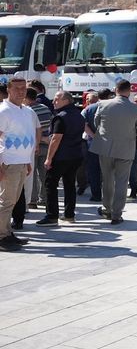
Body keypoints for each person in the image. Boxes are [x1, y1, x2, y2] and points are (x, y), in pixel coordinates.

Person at [88, 80, 137, 224]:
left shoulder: (103, 104)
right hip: (126, 148)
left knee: (107, 180)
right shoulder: (136, 109)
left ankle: (107, 209)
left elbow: (96, 123)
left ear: (115, 90)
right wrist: (130, 133)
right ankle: (116, 214)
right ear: (129, 91)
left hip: (105, 147)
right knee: (122, 182)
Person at [0, 78, 40, 250]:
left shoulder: (26, 111)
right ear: (9, 90)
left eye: (23, 88)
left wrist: (27, 161)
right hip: (8, 162)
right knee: (6, 201)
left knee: (13, 201)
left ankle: (7, 232)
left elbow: (29, 134)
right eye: (16, 88)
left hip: (22, 162)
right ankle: (1, 236)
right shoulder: (4, 111)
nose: (21, 91)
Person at [36, 92, 85, 226]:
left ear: (66, 101)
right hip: (75, 155)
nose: (53, 101)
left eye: (57, 99)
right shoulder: (79, 115)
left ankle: (52, 216)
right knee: (69, 185)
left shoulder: (61, 117)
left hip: (61, 156)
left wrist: (48, 158)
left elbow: (56, 139)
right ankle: (69, 214)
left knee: (50, 184)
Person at [25, 88, 52, 208]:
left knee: (31, 174)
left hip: (33, 146)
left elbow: (29, 131)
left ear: (26, 98)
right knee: (44, 174)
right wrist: (46, 138)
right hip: (46, 145)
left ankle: (32, 200)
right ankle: (44, 199)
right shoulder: (45, 108)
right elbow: (50, 126)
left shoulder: (27, 111)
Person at [82, 89, 111, 202]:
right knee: (108, 170)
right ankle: (108, 195)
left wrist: (93, 136)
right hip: (109, 143)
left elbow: (83, 124)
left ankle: (96, 195)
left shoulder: (89, 109)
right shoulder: (113, 108)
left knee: (94, 169)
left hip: (92, 143)